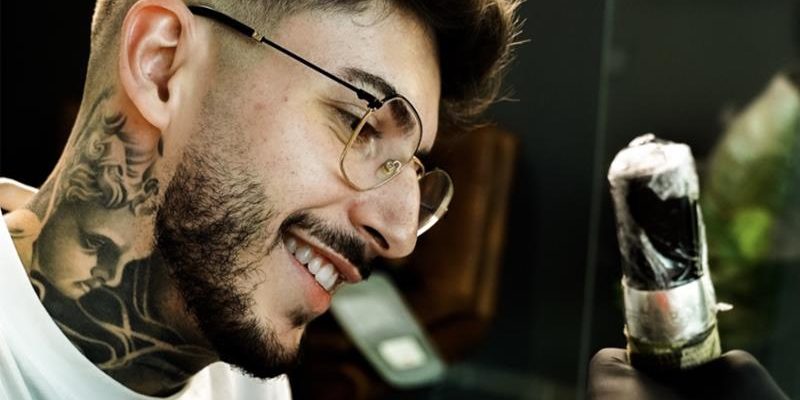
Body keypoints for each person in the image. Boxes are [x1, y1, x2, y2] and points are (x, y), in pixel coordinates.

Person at [0, 0, 521, 399]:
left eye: (408, 167)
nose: (401, 235)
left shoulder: (248, 387)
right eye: (358, 125)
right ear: (161, 65)